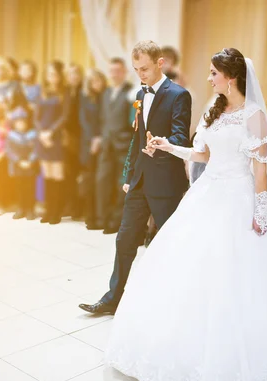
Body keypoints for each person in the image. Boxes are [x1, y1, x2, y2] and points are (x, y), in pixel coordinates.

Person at [103, 47, 267, 381]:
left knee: (242, 280)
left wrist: (260, 213)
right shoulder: (214, 111)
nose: (209, 78)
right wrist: (168, 146)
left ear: (231, 76)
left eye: (214, 73)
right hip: (208, 194)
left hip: (240, 198)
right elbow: (202, 154)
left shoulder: (254, 116)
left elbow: (260, 171)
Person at [79, 40, 191, 313]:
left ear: (160, 63)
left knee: (168, 243)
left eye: (145, 69)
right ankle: (113, 298)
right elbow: (136, 138)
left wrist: (161, 143)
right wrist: (129, 175)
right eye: (136, 70)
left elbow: (180, 136)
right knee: (125, 239)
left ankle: (175, 301)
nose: (140, 75)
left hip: (166, 182)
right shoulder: (140, 96)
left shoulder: (179, 95)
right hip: (140, 179)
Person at [94, 57, 136, 234]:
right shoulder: (105, 93)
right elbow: (103, 119)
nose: (115, 74)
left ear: (125, 72)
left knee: (121, 185)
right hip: (107, 145)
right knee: (102, 181)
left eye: (118, 70)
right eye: (112, 71)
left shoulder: (131, 93)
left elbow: (134, 120)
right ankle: (102, 217)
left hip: (123, 145)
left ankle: (116, 220)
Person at [34, 60, 69, 225]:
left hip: (56, 138)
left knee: (57, 176)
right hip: (42, 138)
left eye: (54, 74)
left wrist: (50, 133)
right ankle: (48, 210)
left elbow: (65, 116)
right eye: (48, 74)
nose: (51, 77)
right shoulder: (42, 92)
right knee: (47, 175)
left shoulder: (65, 92)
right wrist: (42, 133)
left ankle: (57, 211)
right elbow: (36, 117)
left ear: (59, 76)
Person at [79, 68, 106, 229]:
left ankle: (99, 215)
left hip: (103, 143)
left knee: (101, 182)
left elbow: (107, 120)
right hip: (87, 145)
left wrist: (100, 138)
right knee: (89, 181)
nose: (97, 84)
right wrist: (93, 140)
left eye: (99, 80)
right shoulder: (85, 98)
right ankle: (89, 216)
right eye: (93, 81)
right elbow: (84, 122)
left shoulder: (107, 96)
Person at [6, 107, 38, 220]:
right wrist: (19, 161)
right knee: (20, 188)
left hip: (30, 166)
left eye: (23, 121)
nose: (21, 124)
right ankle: (21, 208)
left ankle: (30, 209)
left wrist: (30, 161)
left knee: (30, 188)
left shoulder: (33, 134)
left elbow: (36, 149)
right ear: (14, 123)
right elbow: (9, 150)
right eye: (18, 122)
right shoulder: (11, 135)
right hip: (18, 166)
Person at [64, 63, 84, 219]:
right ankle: (69, 206)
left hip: (81, 138)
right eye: (71, 74)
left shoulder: (83, 91)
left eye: (76, 73)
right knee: (67, 174)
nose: (74, 77)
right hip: (65, 137)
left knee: (79, 173)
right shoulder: (64, 92)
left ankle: (79, 208)